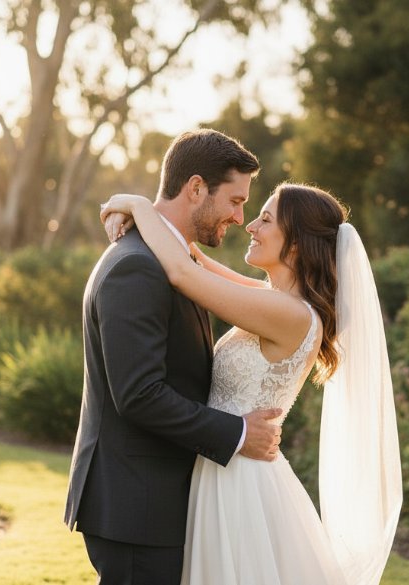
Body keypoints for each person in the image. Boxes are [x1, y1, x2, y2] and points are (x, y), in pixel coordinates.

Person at [99, 182, 402, 585]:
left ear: (295, 244)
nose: (251, 226)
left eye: (265, 218)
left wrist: (136, 203)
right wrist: (131, 209)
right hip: (225, 464)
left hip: (240, 483)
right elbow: (191, 256)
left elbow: (181, 271)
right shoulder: (272, 298)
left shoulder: (289, 314)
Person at [64, 129, 286, 585]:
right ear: (197, 188)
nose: (240, 217)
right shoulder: (136, 267)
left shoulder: (171, 262)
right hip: (135, 507)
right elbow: (140, 395)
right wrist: (239, 433)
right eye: (236, 200)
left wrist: (137, 205)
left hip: (156, 503)